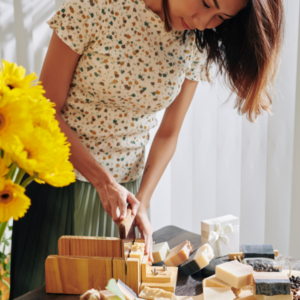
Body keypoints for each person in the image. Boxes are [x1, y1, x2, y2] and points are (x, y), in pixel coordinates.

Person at [10, 0, 284, 297]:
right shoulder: (94, 6)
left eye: (220, 16)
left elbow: (168, 133)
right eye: (206, 3)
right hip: (59, 184)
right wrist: (103, 182)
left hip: (127, 195)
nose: (203, 21)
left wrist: (141, 199)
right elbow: (46, 111)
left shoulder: (195, 43)